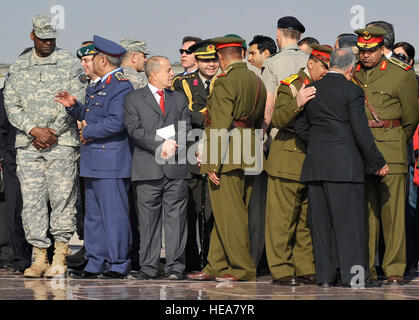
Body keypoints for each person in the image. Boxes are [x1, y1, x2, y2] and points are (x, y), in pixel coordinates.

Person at [294, 48, 388, 287]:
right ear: (350, 68)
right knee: (350, 227)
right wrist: (377, 161)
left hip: (316, 165)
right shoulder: (352, 90)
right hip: (344, 167)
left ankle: (325, 278)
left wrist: (319, 143)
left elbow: (302, 127)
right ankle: (353, 278)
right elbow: (361, 131)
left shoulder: (313, 88)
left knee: (320, 227)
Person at [3, 15, 87, 278]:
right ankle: (39, 256)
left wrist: (53, 132)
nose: (48, 43)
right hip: (29, 146)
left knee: (63, 199)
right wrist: (33, 130)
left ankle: (60, 254)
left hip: (61, 144)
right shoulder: (18, 66)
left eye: (52, 38)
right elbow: (11, 104)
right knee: (33, 203)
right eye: (43, 38)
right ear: (33, 36)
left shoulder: (69, 64)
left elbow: (76, 99)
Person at [187, 36, 267, 282]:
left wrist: (212, 163)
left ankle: (242, 269)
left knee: (229, 215)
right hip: (249, 148)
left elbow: (218, 126)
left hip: (229, 151)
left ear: (221, 57)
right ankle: (216, 265)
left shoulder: (225, 82)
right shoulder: (256, 78)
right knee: (229, 213)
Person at [55, 35, 134, 279]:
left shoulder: (120, 85)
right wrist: (73, 107)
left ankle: (118, 263)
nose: (88, 63)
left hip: (111, 161)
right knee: (94, 217)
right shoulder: (99, 84)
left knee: (114, 216)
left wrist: (86, 131)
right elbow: (95, 115)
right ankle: (95, 262)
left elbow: (117, 122)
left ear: (103, 60)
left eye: (94, 58)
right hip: (94, 161)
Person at [354, 26, 419, 285]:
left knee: (393, 215)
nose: (365, 55)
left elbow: (411, 118)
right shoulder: (354, 73)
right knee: (366, 214)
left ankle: (393, 269)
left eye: (370, 50)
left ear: (382, 48)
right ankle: (367, 268)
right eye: (362, 50)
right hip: (360, 151)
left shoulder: (401, 74)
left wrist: (395, 144)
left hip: (391, 150)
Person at [265, 44, 332, 286]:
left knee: (306, 220)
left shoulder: (325, 85)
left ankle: (305, 267)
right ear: (311, 63)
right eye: (322, 67)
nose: (324, 72)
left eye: (328, 68)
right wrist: (298, 101)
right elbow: (279, 119)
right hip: (287, 159)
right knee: (282, 221)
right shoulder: (292, 84)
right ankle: (281, 269)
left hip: (312, 161)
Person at [124, 56, 191, 280]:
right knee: (148, 223)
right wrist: (162, 144)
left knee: (176, 222)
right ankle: (148, 268)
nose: (173, 73)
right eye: (169, 70)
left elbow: (186, 128)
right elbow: (135, 130)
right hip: (147, 169)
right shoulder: (133, 99)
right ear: (154, 74)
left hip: (175, 169)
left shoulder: (179, 99)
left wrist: (174, 144)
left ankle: (175, 268)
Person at [172, 40, 219, 272]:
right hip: (191, 152)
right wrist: (212, 117)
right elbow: (184, 115)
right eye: (206, 61)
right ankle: (190, 259)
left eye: (214, 60)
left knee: (212, 212)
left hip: (217, 152)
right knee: (190, 211)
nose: (211, 65)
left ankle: (211, 260)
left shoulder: (224, 81)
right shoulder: (182, 83)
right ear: (197, 61)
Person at [66, 42, 100, 270]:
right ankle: (88, 247)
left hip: (97, 151)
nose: (84, 65)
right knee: (79, 204)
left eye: (88, 60)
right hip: (75, 151)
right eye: (83, 61)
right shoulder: (77, 83)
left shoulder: (108, 84)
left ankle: (97, 251)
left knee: (95, 204)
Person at [0, 84, 32, 274]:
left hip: (45, 156)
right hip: (14, 157)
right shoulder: (8, 92)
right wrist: (3, 155)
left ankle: (48, 254)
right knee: (13, 209)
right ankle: (18, 256)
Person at [261, 16, 308, 135]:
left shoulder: (271, 62)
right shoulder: (310, 61)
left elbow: (269, 105)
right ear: (299, 36)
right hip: (307, 130)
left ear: (278, 33)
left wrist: (260, 135)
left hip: (281, 131)